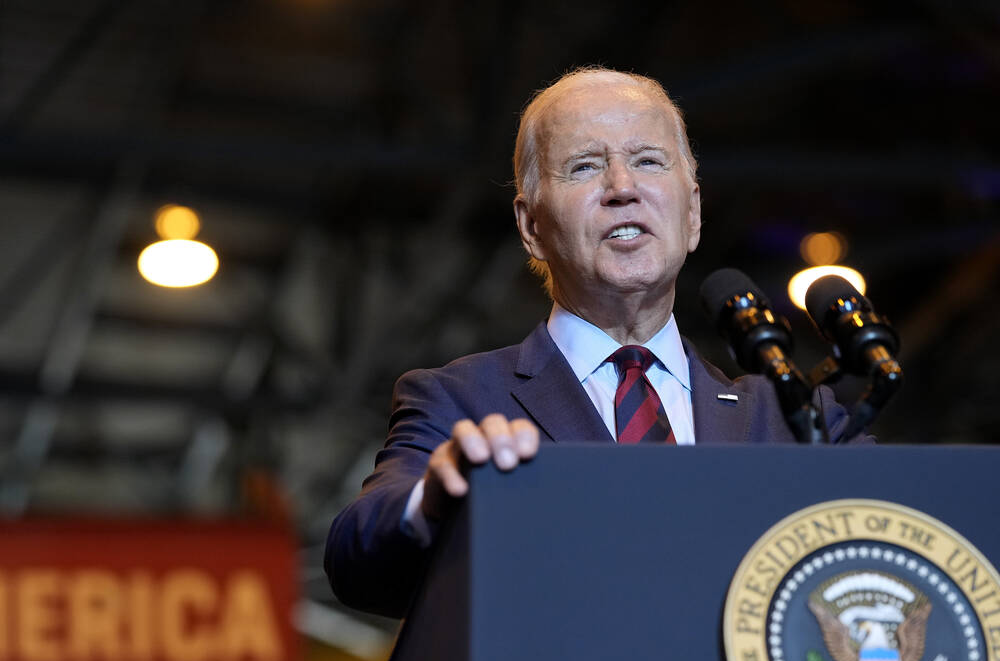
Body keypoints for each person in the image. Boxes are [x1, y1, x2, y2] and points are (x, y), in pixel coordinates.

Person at [326, 68, 860, 618]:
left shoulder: (795, 421)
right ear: (531, 226)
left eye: (648, 160)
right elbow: (355, 554)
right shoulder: (459, 400)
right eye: (585, 167)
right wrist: (436, 501)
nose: (622, 188)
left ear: (693, 212)